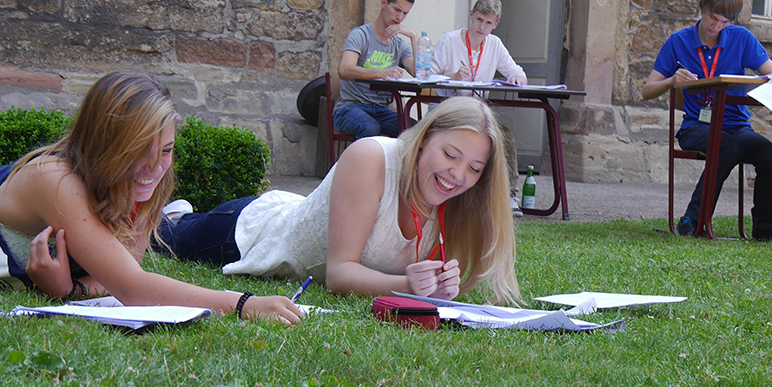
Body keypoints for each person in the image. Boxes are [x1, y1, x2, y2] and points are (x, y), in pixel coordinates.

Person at [0, 70, 303, 324]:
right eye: (138, 153)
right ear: (106, 144)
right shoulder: (57, 181)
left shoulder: (133, 187)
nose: (154, 169)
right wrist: (244, 305)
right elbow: (130, 285)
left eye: (166, 150)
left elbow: (110, 275)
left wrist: (65, 291)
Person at [156, 97, 521, 304]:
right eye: (451, 154)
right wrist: (408, 287)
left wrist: (436, 286)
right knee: (162, 237)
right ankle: (177, 216)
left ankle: (182, 213)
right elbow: (339, 274)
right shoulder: (373, 158)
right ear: (425, 138)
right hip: (247, 233)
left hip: (290, 214)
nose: (458, 175)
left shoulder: (459, 200)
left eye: (474, 168)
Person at [641, 0, 772, 242]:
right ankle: (692, 220)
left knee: (770, 155)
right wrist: (672, 81)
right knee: (726, 146)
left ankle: (763, 230)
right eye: (712, 18)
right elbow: (647, 90)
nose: (716, 26)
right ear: (702, 9)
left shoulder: (742, 38)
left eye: (724, 22)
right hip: (697, 125)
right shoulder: (678, 41)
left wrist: (750, 86)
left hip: (737, 125)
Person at [333, 0, 418, 139]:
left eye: (405, 13)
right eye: (397, 10)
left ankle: (396, 165)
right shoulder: (361, 35)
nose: (399, 17)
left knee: (414, 130)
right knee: (370, 127)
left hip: (381, 110)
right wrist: (381, 72)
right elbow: (344, 70)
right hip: (350, 107)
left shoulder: (399, 44)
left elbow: (419, 73)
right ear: (384, 3)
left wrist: (413, 36)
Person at [432, 0, 528, 91]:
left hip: (478, 105)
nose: (482, 27)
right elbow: (427, 77)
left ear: (495, 24)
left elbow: (518, 74)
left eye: (488, 23)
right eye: (479, 19)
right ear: (471, 15)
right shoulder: (449, 41)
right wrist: (453, 78)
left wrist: (518, 80)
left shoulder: (495, 44)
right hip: (448, 104)